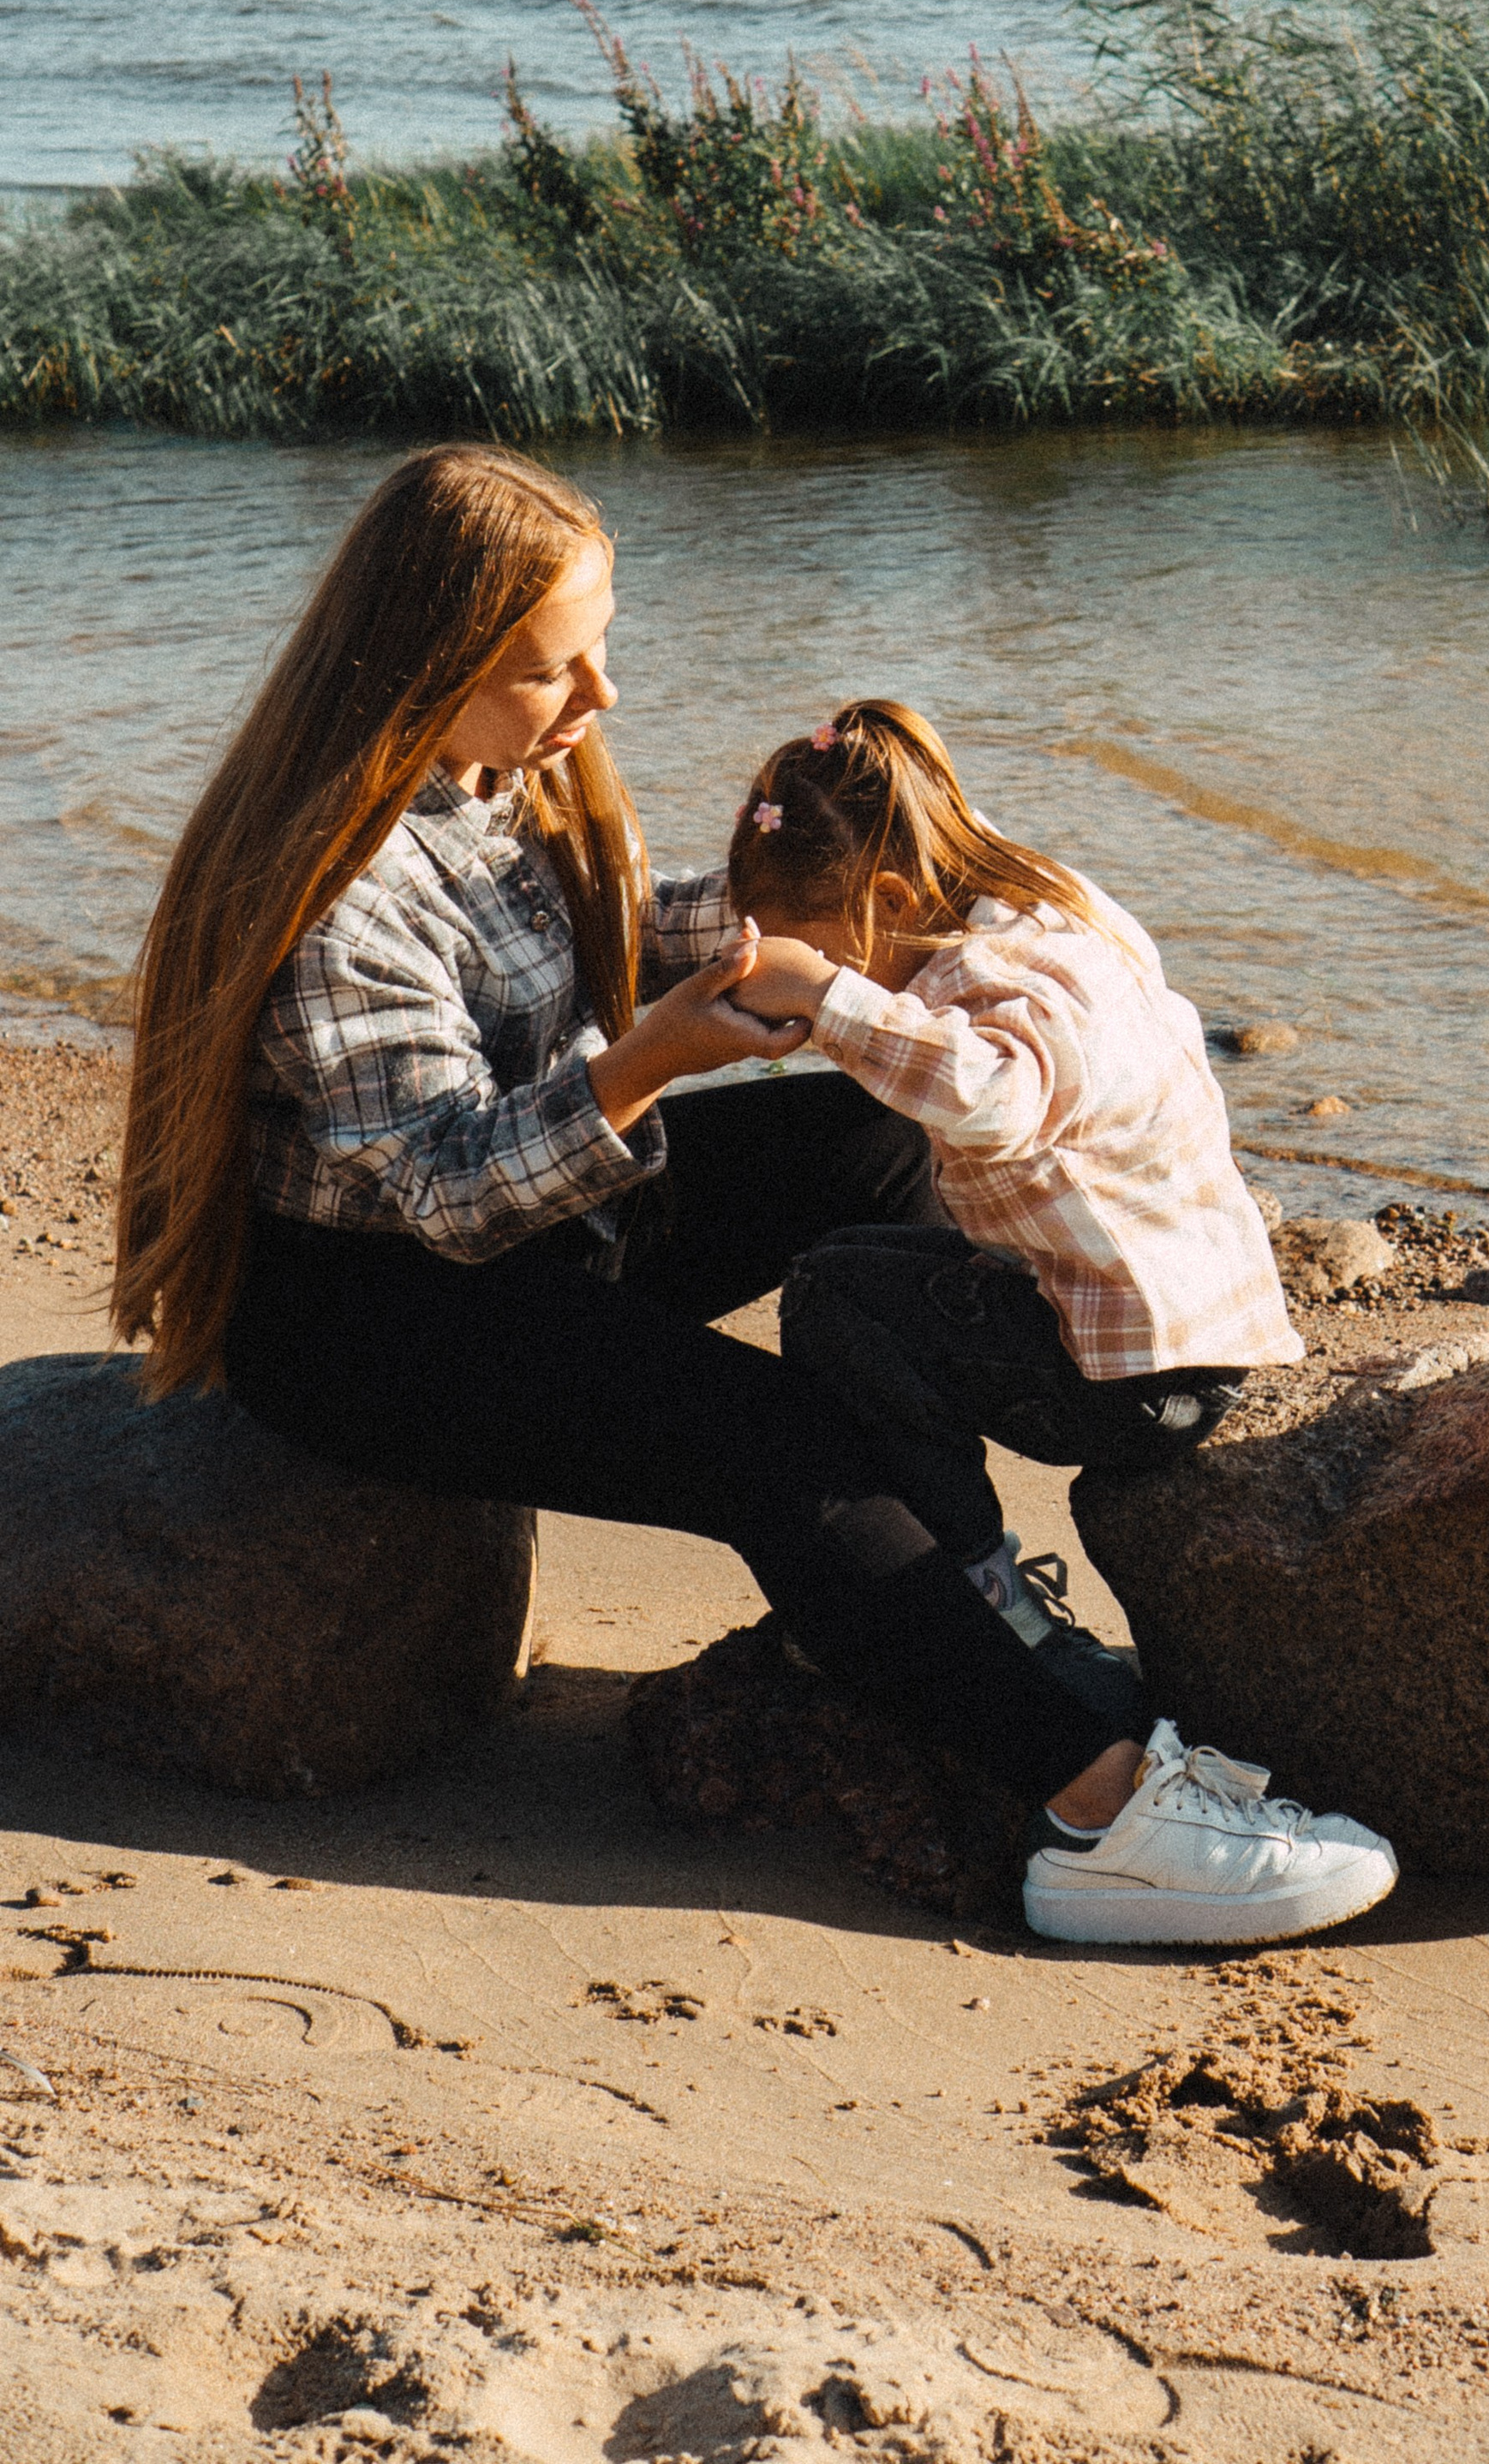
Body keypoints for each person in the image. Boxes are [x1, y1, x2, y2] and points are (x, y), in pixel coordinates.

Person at [112, 445, 1395, 1948]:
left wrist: (884, 918)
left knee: (878, 1139)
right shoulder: (343, 891)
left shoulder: (496, 776)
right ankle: (1095, 1809)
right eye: (550, 670)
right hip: (377, 1318)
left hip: (550, 1231)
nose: (598, 699)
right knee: (774, 1443)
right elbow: (449, 1190)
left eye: (602, 645)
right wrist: (647, 1065)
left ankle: (951, 1576)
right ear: (422, 668)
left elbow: (615, 934)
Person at [718, 697, 1396, 1944]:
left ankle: (980, 1588)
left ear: (877, 899)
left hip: (1130, 1370)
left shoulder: (993, 984)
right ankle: (958, 1568)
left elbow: (993, 1101)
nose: (827, 987)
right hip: (1178, 1320)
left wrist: (838, 1009)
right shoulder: (1047, 904)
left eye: (831, 953)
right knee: (845, 1262)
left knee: (832, 1304)